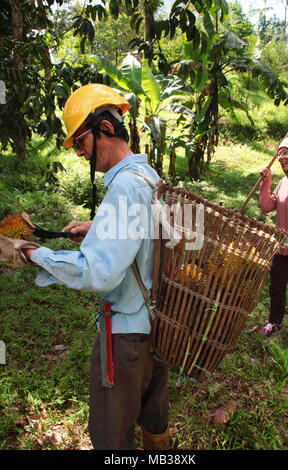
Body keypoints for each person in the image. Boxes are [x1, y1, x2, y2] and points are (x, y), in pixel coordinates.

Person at [21, 83, 170, 450]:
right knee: (153, 415)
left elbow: (97, 272)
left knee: (111, 432)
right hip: (159, 327)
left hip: (126, 334)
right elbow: (156, 232)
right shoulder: (149, 177)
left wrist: (31, 253)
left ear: (104, 128)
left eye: (81, 142)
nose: (79, 153)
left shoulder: (123, 189)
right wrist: (98, 227)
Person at [259, 136, 288, 336]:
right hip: (282, 247)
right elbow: (267, 206)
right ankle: (275, 322)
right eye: (279, 153)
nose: (281, 156)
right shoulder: (283, 182)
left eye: (287, 152)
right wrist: (266, 183)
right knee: (276, 287)